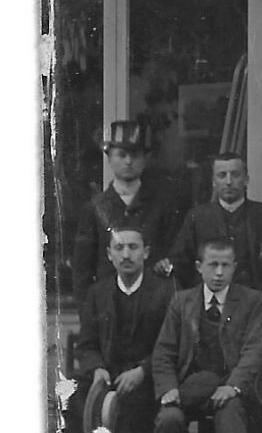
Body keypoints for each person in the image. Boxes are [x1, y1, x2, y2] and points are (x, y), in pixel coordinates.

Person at [151, 238, 262, 433]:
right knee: (169, 419)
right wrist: (169, 389)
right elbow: (163, 352)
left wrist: (234, 386)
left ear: (234, 268)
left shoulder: (251, 301)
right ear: (199, 267)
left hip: (229, 388)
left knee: (230, 414)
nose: (218, 273)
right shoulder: (182, 301)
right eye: (212, 265)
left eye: (225, 265)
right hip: (189, 387)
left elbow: (255, 351)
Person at [61, 223, 174, 433]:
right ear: (109, 255)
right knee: (71, 400)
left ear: (146, 253)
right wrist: (97, 368)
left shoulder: (163, 292)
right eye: (119, 248)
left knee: (131, 405)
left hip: (146, 377)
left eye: (133, 247)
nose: (126, 254)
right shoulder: (98, 293)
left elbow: (170, 346)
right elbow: (87, 344)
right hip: (106, 375)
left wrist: (142, 371)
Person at [68, 120, 183, 307]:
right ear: (109, 158)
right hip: (108, 309)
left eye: (135, 155)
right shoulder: (94, 209)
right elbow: (82, 272)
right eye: (121, 155)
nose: (128, 161)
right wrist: (88, 315)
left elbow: (174, 258)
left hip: (153, 308)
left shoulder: (163, 205)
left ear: (145, 159)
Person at [165, 152, 262, 316]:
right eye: (222, 175)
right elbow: (181, 262)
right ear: (214, 182)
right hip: (209, 308)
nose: (229, 182)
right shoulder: (197, 217)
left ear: (246, 180)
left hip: (253, 308)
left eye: (235, 175)